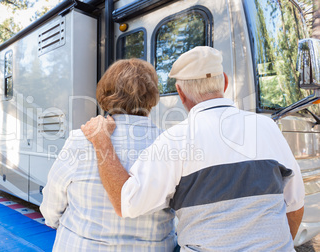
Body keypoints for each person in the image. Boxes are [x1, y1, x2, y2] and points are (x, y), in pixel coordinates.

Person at [81, 46, 305, 251]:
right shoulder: (267, 127)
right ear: (224, 82)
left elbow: (125, 203)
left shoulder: (174, 140)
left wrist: (102, 142)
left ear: (180, 92)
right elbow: (295, 206)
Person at [40, 59, 177, 251]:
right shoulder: (171, 143)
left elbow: (53, 201)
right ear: (153, 95)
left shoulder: (81, 139)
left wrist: (54, 221)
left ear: (105, 94)